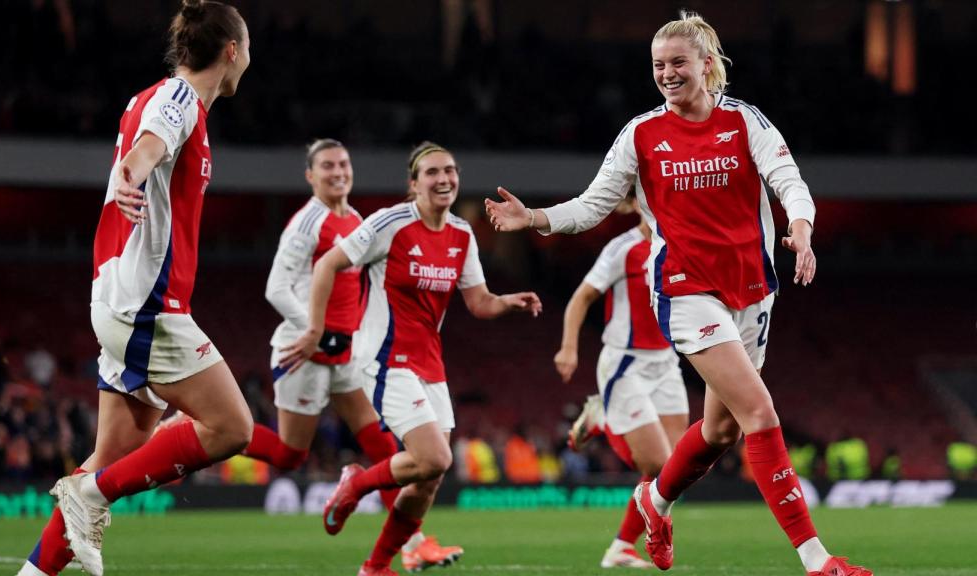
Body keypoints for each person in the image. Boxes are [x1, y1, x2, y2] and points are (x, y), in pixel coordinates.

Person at [485, 10, 872, 576]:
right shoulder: (641, 134)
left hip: (752, 289)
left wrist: (803, 227)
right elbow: (593, 205)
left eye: (677, 63)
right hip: (686, 290)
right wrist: (535, 217)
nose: (666, 73)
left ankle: (653, 501)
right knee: (760, 412)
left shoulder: (744, 121)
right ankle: (817, 559)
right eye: (658, 65)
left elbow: (790, 181)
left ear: (707, 65)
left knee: (720, 431)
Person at [17, 2, 252, 575]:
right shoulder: (179, 100)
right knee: (231, 427)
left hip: (123, 299)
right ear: (231, 52)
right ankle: (91, 496)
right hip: (147, 306)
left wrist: (134, 173)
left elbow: (149, 146)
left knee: (109, 458)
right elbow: (151, 145)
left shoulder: (158, 97)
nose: (250, 57)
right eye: (247, 46)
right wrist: (133, 174)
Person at [283, 142, 542, 576]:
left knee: (427, 478)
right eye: (432, 173)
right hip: (385, 358)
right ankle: (356, 484)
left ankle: (376, 566)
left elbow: (478, 303)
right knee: (436, 457)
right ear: (414, 183)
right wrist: (314, 328)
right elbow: (328, 264)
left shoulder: (462, 233)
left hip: (429, 364)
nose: (444, 179)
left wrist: (507, 302)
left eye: (450, 171)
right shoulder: (391, 223)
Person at [256, 138, 463, 572]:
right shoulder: (307, 223)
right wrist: (313, 330)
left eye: (343, 163)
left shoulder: (358, 220)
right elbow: (276, 287)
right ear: (311, 176)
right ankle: (203, 427)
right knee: (289, 455)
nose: (338, 171)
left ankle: (411, 543)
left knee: (385, 446)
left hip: (349, 352)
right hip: (305, 352)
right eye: (327, 165)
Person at [554, 198, 688, 569]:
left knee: (677, 470)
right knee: (661, 465)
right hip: (625, 363)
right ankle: (605, 420)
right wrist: (568, 347)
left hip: (665, 362)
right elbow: (582, 298)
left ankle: (620, 548)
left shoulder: (681, 241)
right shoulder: (622, 248)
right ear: (634, 204)